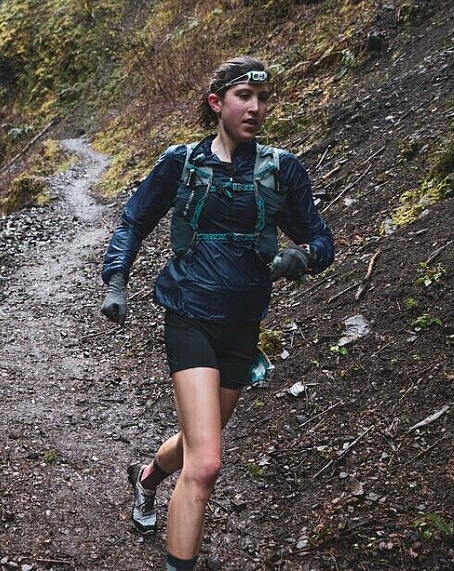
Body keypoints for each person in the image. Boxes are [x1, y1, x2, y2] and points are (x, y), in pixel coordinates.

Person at [99, 56, 334, 570]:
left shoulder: (281, 170)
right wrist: (116, 278)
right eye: (243, 96)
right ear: (216, 102)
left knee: (195, 442)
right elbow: (133, 221)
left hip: (243, 325)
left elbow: (321, 239)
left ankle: (147, 477)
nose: (255, 108)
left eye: (263, 99)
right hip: (189, 314)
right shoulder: (182, 163)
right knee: (206, 464)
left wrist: (303, 257)